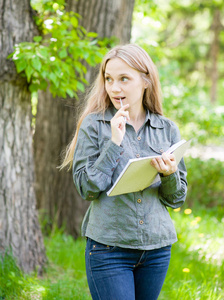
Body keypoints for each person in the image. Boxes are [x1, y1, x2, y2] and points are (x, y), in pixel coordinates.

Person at [61, 44, 187, 300]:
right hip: (109, 249)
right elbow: (86, 188)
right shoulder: (94, 125)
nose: (114, 87)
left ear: (145, 81)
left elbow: (177, 199)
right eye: (108, 79)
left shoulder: (167, 129)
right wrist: (114, 143)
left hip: (156, 248)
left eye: (124, 79)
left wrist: (169, 174)